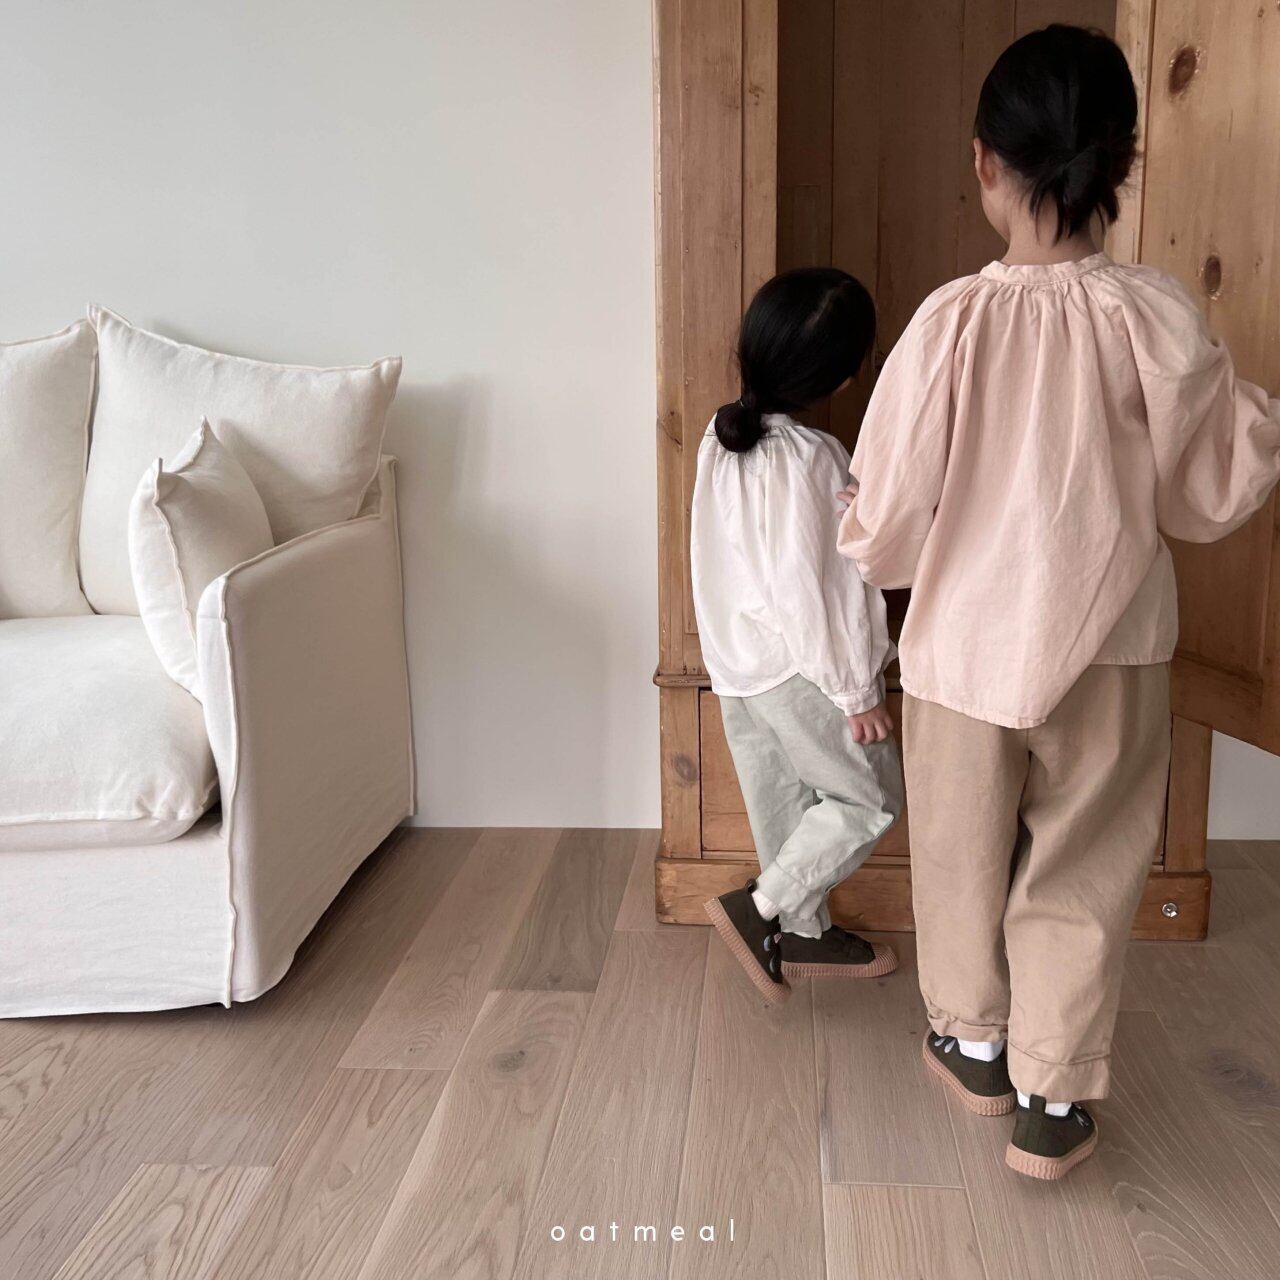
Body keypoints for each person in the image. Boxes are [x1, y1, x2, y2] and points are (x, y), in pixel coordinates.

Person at [838, 23, 1280, 1180]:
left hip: (962, 652)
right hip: (1115, 646)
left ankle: (972, 1041)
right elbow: (1208, 490)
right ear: (1120, 163)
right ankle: (1052, 1093)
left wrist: (864, 538)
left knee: (956, 854)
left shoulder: (948, 321)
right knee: (1084, 864)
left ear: (982, 160)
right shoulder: (1156, 313)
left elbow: (887, 516)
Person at [693, 267, 903, 1006]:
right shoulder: (816, 457)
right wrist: (857, 689)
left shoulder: (720, 439)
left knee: (782, 808)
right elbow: (822, 589)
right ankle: (761, 907)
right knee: (868, 799)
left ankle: (803, 933)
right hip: (801, 668)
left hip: (738, 665)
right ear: (841, 375)